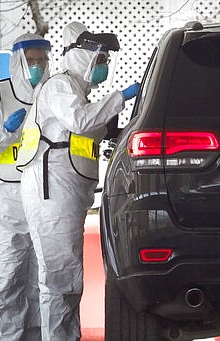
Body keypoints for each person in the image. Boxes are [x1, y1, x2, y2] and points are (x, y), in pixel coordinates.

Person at [16, 22, 140, 340]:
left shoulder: (78, 94)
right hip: (52, 189)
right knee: (60, 277)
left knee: (67, 276)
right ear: (83, 58)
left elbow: (92, 130)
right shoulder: (60, 87)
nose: (104, 68)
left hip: (63, 190)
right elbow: (80, 121)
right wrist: (121, 97)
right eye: (100, 61)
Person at [0, 33, 52, 341]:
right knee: (6, 283)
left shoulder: (52, 95)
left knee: (40, 286)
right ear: (18, 62)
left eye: (42, 60)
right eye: (31, 61)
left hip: (43, 203)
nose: (38, 66)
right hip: (5, 207)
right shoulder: (0, 94)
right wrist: (5, 131)